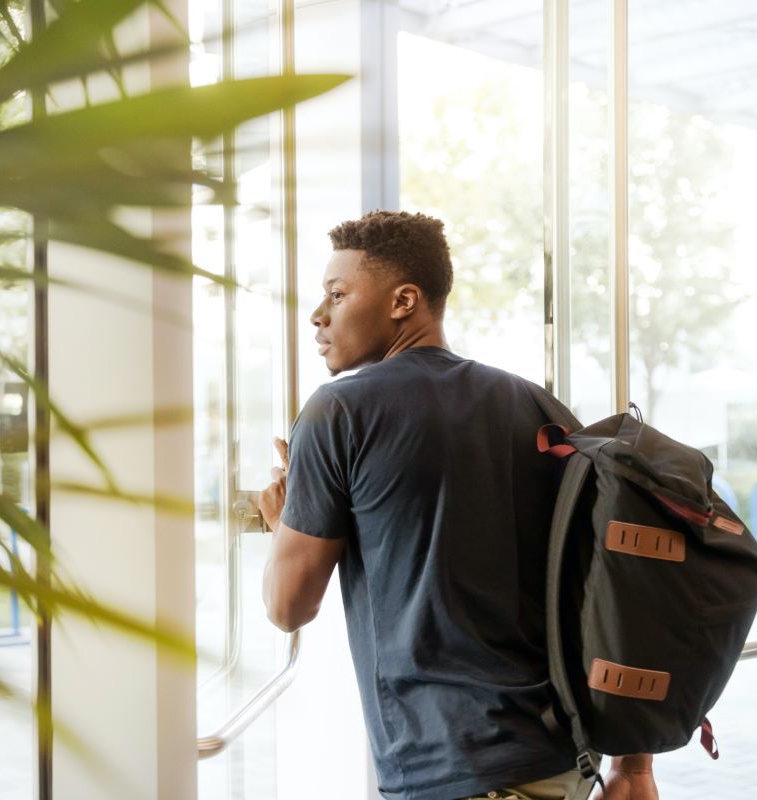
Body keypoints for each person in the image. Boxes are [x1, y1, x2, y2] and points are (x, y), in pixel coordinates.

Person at [258, 211, 658, 800]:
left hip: (453, 769)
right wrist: (634, 766)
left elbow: (287, 607)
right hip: (563, 760)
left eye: (337, 294)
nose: (319, 315)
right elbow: (615, 582)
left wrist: (282, 525)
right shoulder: (537, 407)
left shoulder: (338, 413)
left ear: (404, 300)